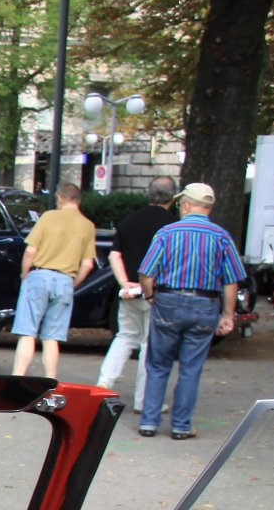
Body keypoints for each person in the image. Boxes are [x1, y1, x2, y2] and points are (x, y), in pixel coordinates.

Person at [136, 182, 246, 440]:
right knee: (191, 367)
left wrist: (150, 295)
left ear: (185, 205)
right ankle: (181, 426)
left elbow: (146, 272)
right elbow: (231, 281)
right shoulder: (221, 237)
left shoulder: (166, 233)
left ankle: (149, 422)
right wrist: (228, 315)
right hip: (205, 304)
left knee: (158, 363)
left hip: (168, 300)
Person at [95, 176, 178, 414]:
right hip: (156, 293)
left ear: (148, 194)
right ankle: (143, 400)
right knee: (149, 345)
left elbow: (114, 255)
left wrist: (125, 283)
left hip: (128, 291)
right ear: (173, 198)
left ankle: (104, 383)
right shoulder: (172, 225)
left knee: (124, 337)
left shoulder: (129, 220)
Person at [10, 183, 96, 379]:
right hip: (65, 280)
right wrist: (72, 284)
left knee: (27, 333)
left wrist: (25, 274)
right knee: (51, 338)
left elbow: (30, 251)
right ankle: (50, 381)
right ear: (78, 200)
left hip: (39, 276)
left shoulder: (48, 217)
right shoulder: (87, 225)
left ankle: (17, 378)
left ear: (59, 198)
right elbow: (87, 265)